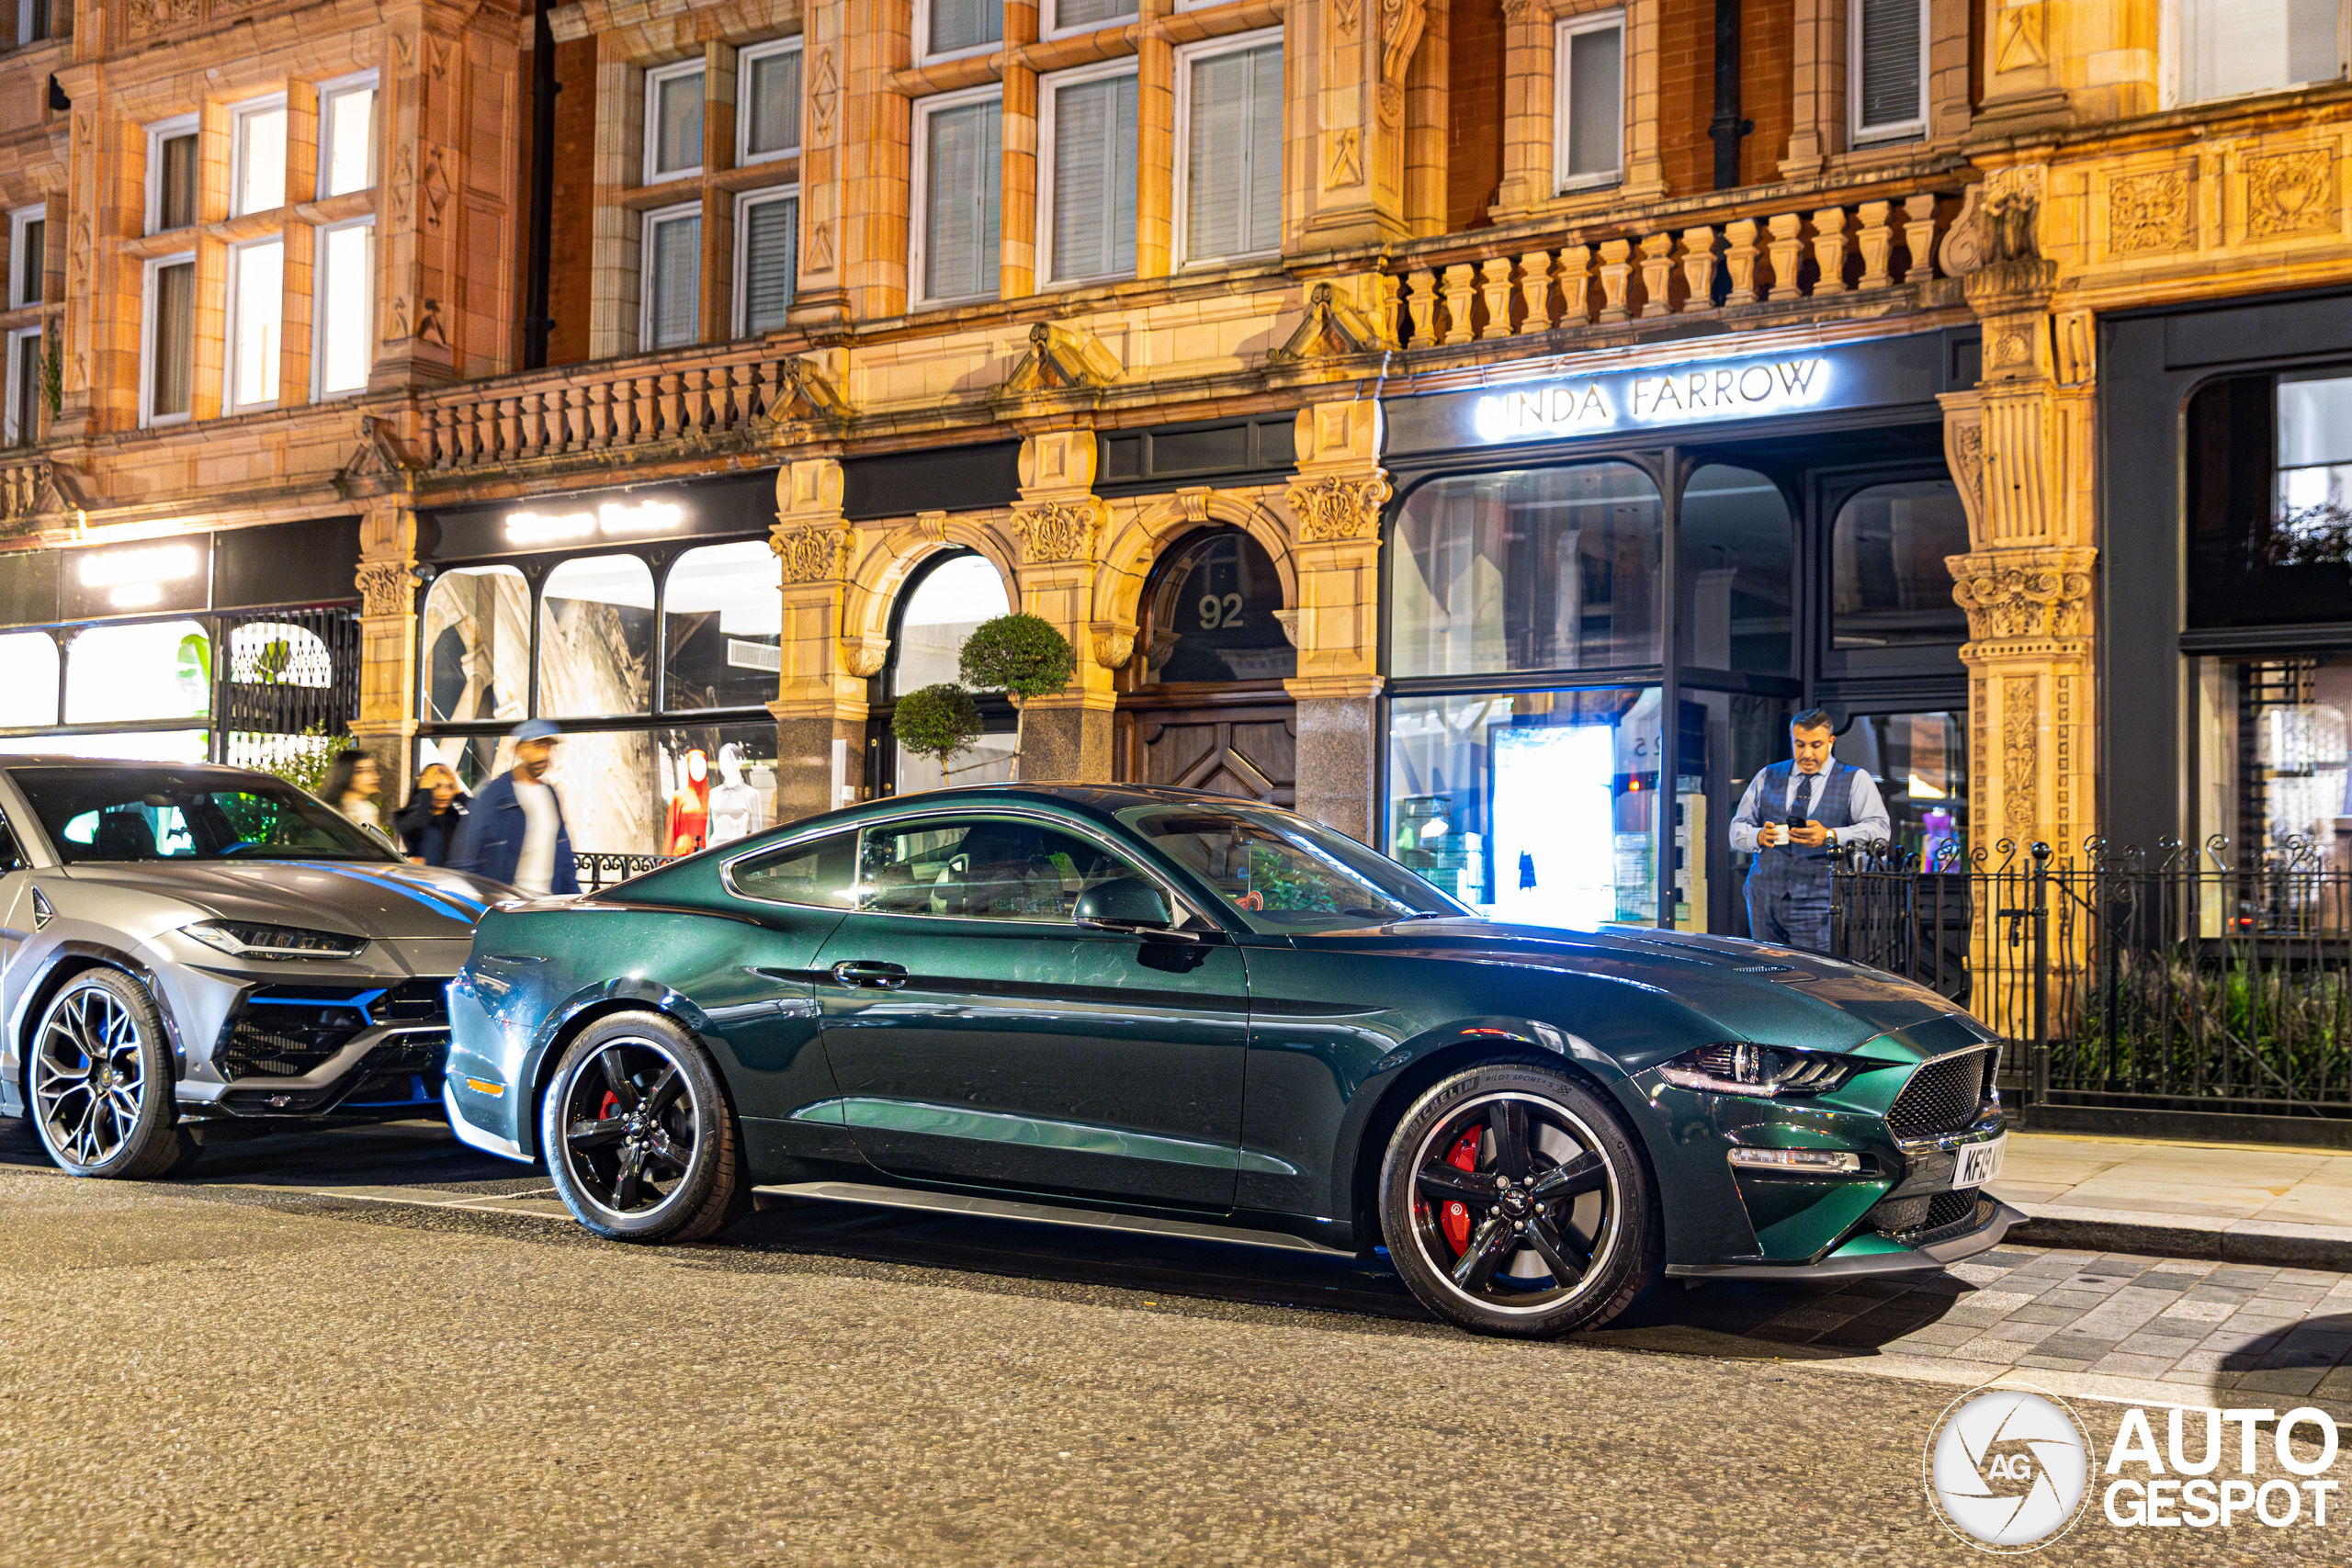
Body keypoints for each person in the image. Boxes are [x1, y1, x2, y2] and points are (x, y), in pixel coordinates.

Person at [1728, 708, 1890, 952]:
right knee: (1767, 972)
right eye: (1800, 744)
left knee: (1811, 975)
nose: (1807, 754)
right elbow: (1737, 830)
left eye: (1816, 745)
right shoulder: (1767, 776)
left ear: (1831, 742)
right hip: (1764, 894)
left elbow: (1879, 830)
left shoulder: (1855, 779)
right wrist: (1759, 836)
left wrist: (1829, 836)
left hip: (1819, 896)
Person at [453, 720, 580, 896]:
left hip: (548, 904)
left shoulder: (549, 794)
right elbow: (467, 854)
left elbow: (564, 855)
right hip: (510, 905)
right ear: (519, 749)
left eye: (548, 748)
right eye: (537, 746)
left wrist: (574, 898)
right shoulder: (495, 794)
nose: (544, 754)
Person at [394, 761, 470, 867]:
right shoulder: (406, 817)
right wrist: (425, 792)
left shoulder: (456, 819)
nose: (443, 793)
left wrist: (460, 794)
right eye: (436, 786)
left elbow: (485, 817)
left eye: (450, 787)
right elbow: (416, 824)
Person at [320, 749, 386, 838]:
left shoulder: (368, 809)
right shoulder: (332, 811)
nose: (374, 776)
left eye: (373, 770)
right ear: (348, 774)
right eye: (363, 771)